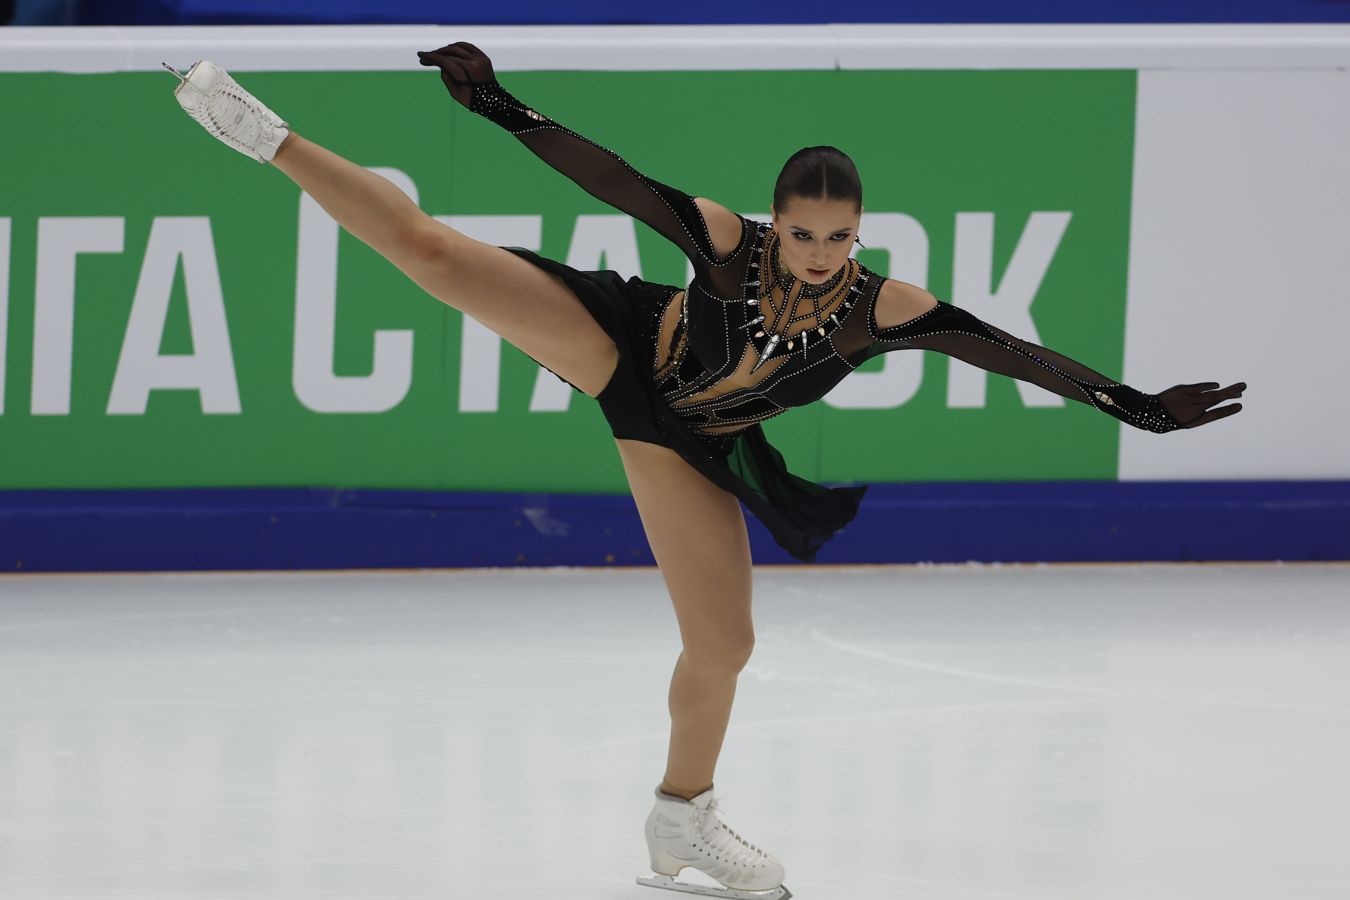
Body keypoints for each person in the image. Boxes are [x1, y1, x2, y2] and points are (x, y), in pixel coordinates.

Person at [166, 44, 1245, 899]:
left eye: (839, 236)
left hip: (693, 439)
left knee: (725, 645)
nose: (819, 251)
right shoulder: (728, 243)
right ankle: (261, 132)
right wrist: (496, 106)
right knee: (436, 253)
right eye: (805, 231)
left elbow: (1010, 353)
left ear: (860, 233)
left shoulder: (886, 309)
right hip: (622, 343)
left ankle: (682, 818)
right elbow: (613, 179)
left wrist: (1136, 406)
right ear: (778, 219)